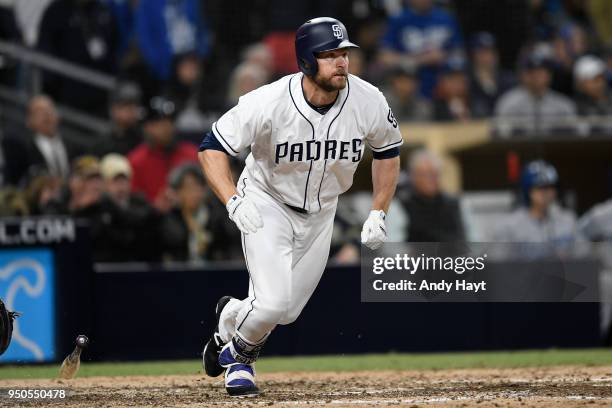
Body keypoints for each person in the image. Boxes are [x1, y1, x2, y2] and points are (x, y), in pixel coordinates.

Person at [198, 17, 402, 397]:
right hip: (267, 201)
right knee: (273, 303)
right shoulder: (269, 101)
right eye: (330, 55)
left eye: (344, 53)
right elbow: (212, 146)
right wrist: (233, 200)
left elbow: (388, 152)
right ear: (308, 60)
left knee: (286, 312)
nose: (341, 62)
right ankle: (239, 361)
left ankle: (229, 318)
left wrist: (379, 210)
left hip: (322, 211)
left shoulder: (368, 99)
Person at [379, 0, 463, 98]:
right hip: (410, 86)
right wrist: (420, 60)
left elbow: (459, 53)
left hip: (444, 87)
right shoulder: (399, 20)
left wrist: (443, 56)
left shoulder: (446, 19)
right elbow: (385, 57)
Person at [492, 160, 581, 251]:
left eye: (550, 187)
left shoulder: (568, 221)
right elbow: (498, 261)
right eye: (540, 187)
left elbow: (584, 254)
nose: (546, 192)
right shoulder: (510, 226)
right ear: (529, 191)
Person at [127, 96, 198, 209]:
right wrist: (156, 208)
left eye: (170, 121)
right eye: (159, 122)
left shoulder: (192, 154)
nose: (167, 127)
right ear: (146, 127)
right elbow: (133, 206)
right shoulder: (136, 161)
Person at [2, 95, 83, 185]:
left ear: (58, 116)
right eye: (39, 112)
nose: (46, 114)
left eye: (50, 109)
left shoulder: (74, 147)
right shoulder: (22, 149)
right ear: (29, 121)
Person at [397, 150, 465, 242]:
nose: (431, 179)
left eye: (434, 174)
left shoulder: (453, 204)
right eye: (425, 174)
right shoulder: (402, 204)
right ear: (414, 176)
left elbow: (466, 237)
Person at [495, 53, 576, 126]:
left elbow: (573, 135)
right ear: (524, 75)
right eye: (532, 72)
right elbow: (500, 133)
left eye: (541, 72)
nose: (536, 77)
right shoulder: (509, 102)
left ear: (549, 76)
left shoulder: (562, 105)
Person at [468, 32, 516, 118]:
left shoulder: (507, 79)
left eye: (490, 52)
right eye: (482, 53)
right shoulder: (467, 81)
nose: (487, 57)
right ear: (473, 55)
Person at [95, 82, 144, 157]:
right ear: (114, 109)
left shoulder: (143, 139)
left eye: (134, 106)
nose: (130, 111)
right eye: (125, 106)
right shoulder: (103, 141)